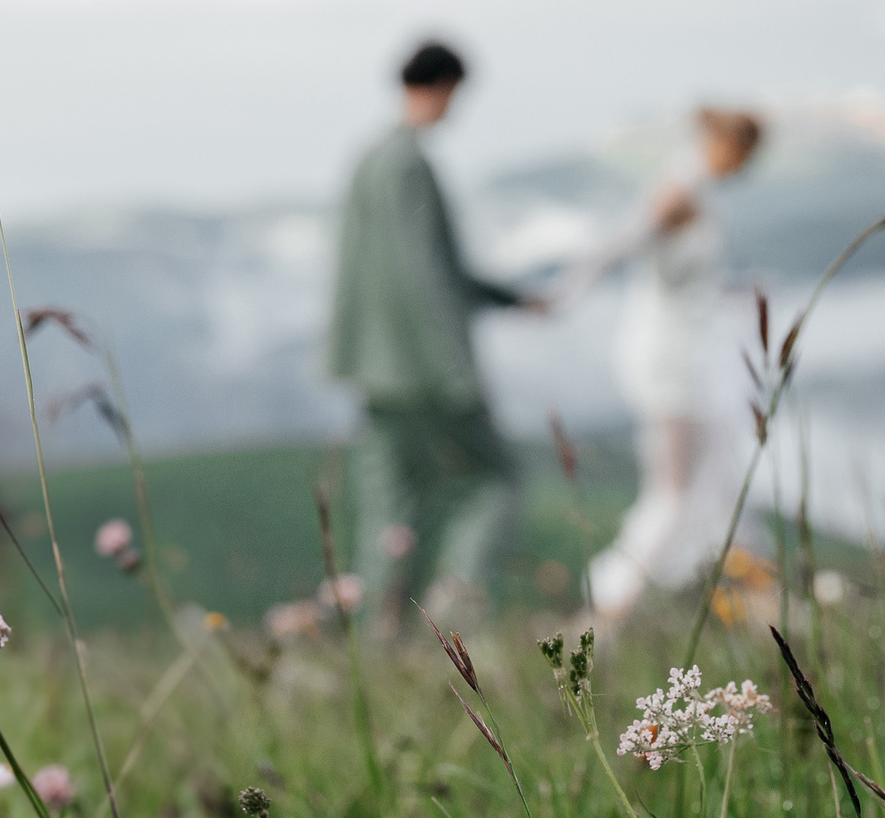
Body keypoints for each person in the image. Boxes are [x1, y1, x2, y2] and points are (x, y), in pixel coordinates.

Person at [326, 40, 540, 633]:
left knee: (391, 506)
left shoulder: (369, 159)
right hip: (423, 369)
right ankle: (456, 611)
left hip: (373, 369)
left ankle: (381, 636)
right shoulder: (410, 166)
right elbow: (424, 275)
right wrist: (457, 371)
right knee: (494, 480)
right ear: (443, 87)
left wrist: (511, 299)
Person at [561, 107, 766, 619]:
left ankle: (741, 596)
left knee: (703, 483)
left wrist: (735, 295)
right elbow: (623, 239)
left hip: (686, 353)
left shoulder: (694, 188)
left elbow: (687, 279)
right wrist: (566, 291)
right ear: (731, 147)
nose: (745, 169)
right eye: (746, 157)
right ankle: (609, 605)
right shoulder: (681, 189)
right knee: (674, 493)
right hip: (667, 357)